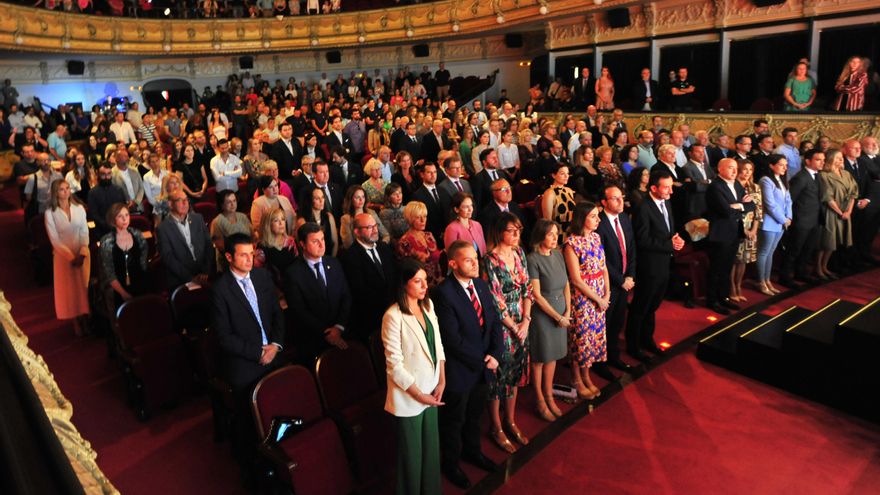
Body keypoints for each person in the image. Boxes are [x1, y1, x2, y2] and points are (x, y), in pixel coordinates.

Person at [433, 241, 503, 490]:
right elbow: (452, 340)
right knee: (455, 421)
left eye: (476, 258)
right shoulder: (443, 293)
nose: (475, 263)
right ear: (453, 264)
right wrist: (483, 361)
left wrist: (495, 353)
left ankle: (473, 452)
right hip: (461, 370)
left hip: (484, 366)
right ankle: (451, 464)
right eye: (468, 260)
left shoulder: (481, 285)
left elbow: (494, 321)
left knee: (475, 415)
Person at [381, 257, 446, 495]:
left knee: (430, 453)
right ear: (403, 284)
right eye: (417, 281)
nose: (424, 286)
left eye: (425, 280)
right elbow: (394, 366)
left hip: (431, 390)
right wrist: (420, 395)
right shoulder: (393, 316)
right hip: (409, 398)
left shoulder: (427, 306)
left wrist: (442, 380)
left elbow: (437, 344)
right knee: (411, 459)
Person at [482, 212, 533, 453]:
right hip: (502, 326)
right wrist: (514, 326)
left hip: (522, 322)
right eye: (511, 230)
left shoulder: (520, 253)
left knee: (515, 375)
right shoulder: (489, 260)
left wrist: (526, 321)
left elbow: (527, 289)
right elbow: (495, 299)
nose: (516, 235)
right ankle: (496, 426)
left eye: (519, 230)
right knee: (498, 379)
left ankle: (510, 420)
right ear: (500, 232)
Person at [626, 169, 685, 361]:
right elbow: (642, 240)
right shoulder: (643, 207)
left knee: (653, 305)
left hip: (664, 262)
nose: (671, 191)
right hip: (649, 265)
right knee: (641, 306)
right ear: (653, 188)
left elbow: (668, 228)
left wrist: (675, 239)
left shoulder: (666, 201)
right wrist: (669, 244)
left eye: (670, 186)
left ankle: (647, 339)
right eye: (666, 187)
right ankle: (633, 346)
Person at [283, 222, 352, 362]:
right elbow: (299, 311)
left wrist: (338, 327)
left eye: (323, 239)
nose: (321, 245)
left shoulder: (334, 263)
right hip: (313, 340)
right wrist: (327, 332)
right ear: (302, 244)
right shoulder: (293, 273)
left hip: (342, 331)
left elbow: (346, 296)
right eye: (315, 241)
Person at [563, 202, 609, 399]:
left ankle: (586, 375)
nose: (598, 220)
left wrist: (606, 295)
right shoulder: (571, 243)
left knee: (593, 339)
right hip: (583, 297)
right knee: (581, 339)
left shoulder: (596, 237)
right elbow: (576, 279)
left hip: (599, 293)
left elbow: (604, 267)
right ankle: (576, 378)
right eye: (593, 216)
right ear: (582, 219)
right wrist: (598, 298)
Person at [525, 220, 570, 421]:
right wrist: (557, 316)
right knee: (540, 358)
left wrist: (567, 312)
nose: (555, 238)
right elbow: (536, 294)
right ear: (540, 235)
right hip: (543, 313)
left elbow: (567, 285)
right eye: (550, 234)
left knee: (552, 357)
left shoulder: (559, 255)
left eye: (556, 233)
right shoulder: (532, 259)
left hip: (561, 310)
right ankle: (540, 399)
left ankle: (549, 394)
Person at [595, 186, 637, 377]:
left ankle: (614, 356)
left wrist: (630, 276)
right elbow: (601, 259)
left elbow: (631, 250)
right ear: (604, 202)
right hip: (608, 284)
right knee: (605, 323)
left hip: (624, 282)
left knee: (617, 322)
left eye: (621, 197)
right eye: (615, 199)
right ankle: (600, 363)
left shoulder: (625, 221)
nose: (621, 202)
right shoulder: (599, 224)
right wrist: (620, 280)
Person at [705, 158, 756, 313]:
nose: (735, 171)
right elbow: (726, 212)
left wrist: (739, 205)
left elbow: (751, 205)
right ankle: (712, 301)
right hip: (720, 234)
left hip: (735, 232)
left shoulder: (737, 185)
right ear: (720, 169)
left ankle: (724, 297)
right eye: (730, 168)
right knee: (716, 269)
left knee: (727, 268)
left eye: (735, 168)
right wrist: (742, 206)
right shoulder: (715, 187)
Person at [341, 213, 398, 342]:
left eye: (375, 226)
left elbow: (394, 277)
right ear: (357, 232)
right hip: (370, 320)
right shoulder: (350, 257)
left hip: (393, 313)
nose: (375, 230)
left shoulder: (384, 248)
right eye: (369, 227)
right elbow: (359, 292)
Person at [45, 179, 90, 336]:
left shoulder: (79, 209)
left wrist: (83, 252)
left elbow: (85, 231)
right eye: (62, 189)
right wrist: (72, 258)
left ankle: (86, 317)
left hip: (81, 252)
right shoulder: (50, 213)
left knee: (83, 286)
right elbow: (55, 240)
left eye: (67, 188)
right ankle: (75, 320)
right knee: (70, 291)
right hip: (63, 257)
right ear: (56, 193)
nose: (66, 192)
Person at [780, 150, 825, 286]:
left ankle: (800, 273)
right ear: (808, 161)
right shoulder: (801, 177)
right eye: (818, 159)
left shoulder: (817, 176)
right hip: (801, 221)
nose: (822, 162)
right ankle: (785, 277)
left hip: (814, 220)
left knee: (808, 249)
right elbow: (790, 200)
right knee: (794, 250)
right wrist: (791, 219)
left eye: (823, 159)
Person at [157, 190, 214, 290]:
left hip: (205, 274)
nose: (185, 203)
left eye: (186, 200)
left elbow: (209, 245)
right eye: (180, 200)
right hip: (180, 280)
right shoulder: (163, 228)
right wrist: (190, 278)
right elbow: (168, 258)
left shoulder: (198, 219)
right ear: (170, 204)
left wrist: (205, 270)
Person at [99, 203, 149, 310]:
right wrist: (123, 294)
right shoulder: (107, 241)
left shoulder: (138, 234)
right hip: (119, 286)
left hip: (140, 283)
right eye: (120, 216)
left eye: (127, 215)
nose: (125, 219)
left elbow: (143, 264)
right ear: (113, 219)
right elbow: (109, 273)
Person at [817, 150, 858, 280]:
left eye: (842, 158)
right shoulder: (823, 175)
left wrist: (849, 212)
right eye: (838, 158)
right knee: (826, 242)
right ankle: (818, 268)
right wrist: (840, 212)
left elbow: (853, 194)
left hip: (845, 213)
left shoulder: (846, 173)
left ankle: (825, 266)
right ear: (830, 159)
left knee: (835, 243)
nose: (841, 160)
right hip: (831, 212)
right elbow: (827, 197)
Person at [755, 155, 793, 295]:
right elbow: (769, 204)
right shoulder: (765, 180)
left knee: (771, 252)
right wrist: (783, 219)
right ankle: (760, 281)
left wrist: (788, 217)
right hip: (769, 222)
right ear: (771, 165)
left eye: (785, 165)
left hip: (781, 222)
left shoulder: (782, 180)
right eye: (781, 164)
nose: (785, 167)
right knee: (763, 252)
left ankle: (767, 280)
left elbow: (789, 201)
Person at [731, 160, 762, 303]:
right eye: (744, 169)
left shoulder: (755, 187)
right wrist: (743, 229)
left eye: (750, 169)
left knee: (744, 260)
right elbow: (732, 209)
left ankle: (739, 286)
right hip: (736, 227)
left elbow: (759, 210)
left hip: (751, 228)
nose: (747, 172)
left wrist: (754, 229)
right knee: (734, 260)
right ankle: (731, 288)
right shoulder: (733, 185)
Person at [396, 201, 443, 288]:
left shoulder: (429, 235)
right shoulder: (404, 242)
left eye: (425, 216)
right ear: (410, 219)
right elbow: (407, 271)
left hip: (439, 280)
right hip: (421, 285)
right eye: (418, 217)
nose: (423, 220)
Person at [210, 190, 252, 272]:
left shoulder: (242, 216)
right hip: (229, 261)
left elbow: (253, 236)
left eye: (234, 201)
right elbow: (221, 246)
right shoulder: (217, 222)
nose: (233, 204)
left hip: (247, 255)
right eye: (229, 202)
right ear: (222, 205)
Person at [255, 207, 299, 281]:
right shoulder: (262, 246)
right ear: (268, 224)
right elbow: (258, 273)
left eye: (283, 219)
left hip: (294, 281)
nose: (281, 223)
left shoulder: (291, 241)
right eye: (276, 220)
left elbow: (299, 264)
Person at [339, 185, 390, 249]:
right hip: (358, 253)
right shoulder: (346, 219)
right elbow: (348, 244)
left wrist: (378, 247)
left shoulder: (371, 213)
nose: (361, 200)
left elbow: (386, 235)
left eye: (363, 197)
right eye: (357, 197)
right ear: (351, 200)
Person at [296, 186, 339, 258]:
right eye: (317, 198)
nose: (321, 201)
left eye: (322, 197)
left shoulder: (329, 216)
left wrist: (331, 260)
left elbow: (335, 243)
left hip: (328, 258)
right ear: (310, 200)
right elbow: (301, 248)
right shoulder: (302, 221)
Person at [411, 163, 448, 246]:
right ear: (422, 175)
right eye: (429, 172)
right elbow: (421, 219)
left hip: (447, 233)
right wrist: (439, 233)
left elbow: (448, 211)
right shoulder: (417, 195)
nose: (433, 175)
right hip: (431, 237)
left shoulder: (443, 190)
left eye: (435, 172)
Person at [88, 162, 127, 237]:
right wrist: (108, 225)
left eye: (109, 174)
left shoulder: (118, 190)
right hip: (102, 231)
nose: (106, 177)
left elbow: (123, 208)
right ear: (98, 174)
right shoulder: (92, 193)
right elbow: (94, 214)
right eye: (103, 174)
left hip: (119, 228)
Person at [23, 152, 63, 223]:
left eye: (48, 160)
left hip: (57, 209)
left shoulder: (58, 175)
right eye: (43, 160)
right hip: (41, 211)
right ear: (38, 163)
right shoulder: (33, 178)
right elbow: (28, 197)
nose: (46, 162)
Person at [444, 192, 487, 257]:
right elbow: (451, 255)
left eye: (471, 205)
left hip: (480, 264)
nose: (470, 209)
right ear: (456, 209)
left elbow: (484, 249)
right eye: (466, 207)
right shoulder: (451, 228)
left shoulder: (477, 225)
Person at [681, 144, 715, 220]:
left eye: (702, 151)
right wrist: (710, 183)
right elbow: (696, 187)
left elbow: (715, 180)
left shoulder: (706, 165)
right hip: (696, 205)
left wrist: (707, 181)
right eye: (698, 152)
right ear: (690, 153)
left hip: (709, 203)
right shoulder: (686, 168)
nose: (701, 154)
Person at [541, 163, 577, 234]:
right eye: (562, 174)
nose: (566, 176)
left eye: (567, 173)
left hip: (571, 231)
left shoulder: (569, 190)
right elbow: (548, 221)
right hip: (558, 233)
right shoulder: (549, 193)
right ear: (554, 175)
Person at [111, 148, 144, 214]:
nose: (128, 158)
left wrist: (136, 201)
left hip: (138, 206)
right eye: (125, 156)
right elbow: (113, 193)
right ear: (117, 158)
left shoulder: (134, 170)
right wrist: (126, 203)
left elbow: (141, 187)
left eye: (127, 156)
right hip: (122, 208)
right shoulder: (112, 173)